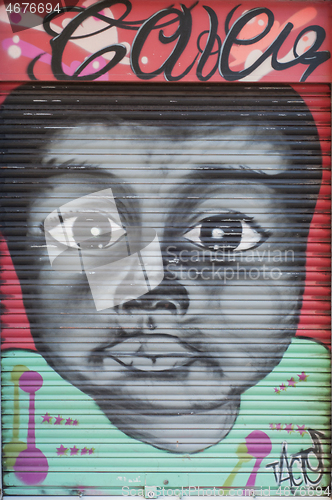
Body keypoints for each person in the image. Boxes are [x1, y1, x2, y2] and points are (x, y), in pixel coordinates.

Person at [1, 83, 322, 454]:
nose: (149, 292)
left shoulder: (311, 385)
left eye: (224, 235)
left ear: (300, 252)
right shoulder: (17, 400)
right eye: (88, 231)